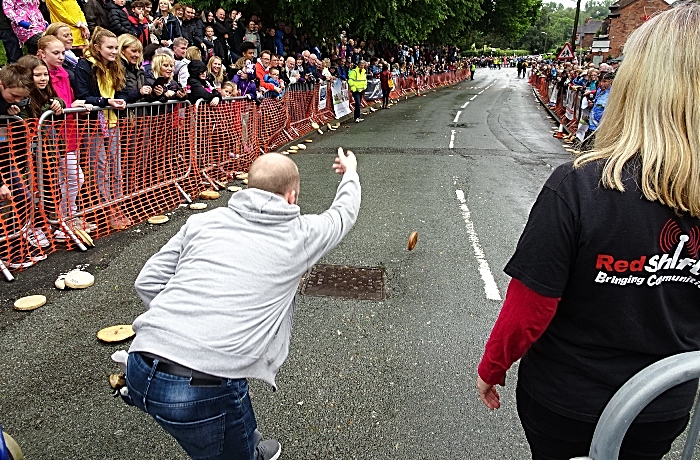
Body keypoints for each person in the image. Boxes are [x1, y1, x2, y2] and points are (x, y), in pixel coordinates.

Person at [476, 5, 700, 459]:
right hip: (662, 400)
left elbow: (530, 308)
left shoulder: (579, 186)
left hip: (568, 400)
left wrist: (493, 366)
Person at [122, 148, 360, 460]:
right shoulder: (300, 235)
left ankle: (235, 442)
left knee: (212, 433)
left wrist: (181, 328)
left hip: (138, 365)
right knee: (221, 439)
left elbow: (148, 281)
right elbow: (344, 213)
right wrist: (351, 172)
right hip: (202, 388)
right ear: (291, 197)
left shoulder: (202, 222)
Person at [36, 35, 95, 239]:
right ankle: (61, 219)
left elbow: (65, 102)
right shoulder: (39, 76)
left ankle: (68, 217)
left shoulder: (65, 73)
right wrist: (71, 107)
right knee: (72, 178)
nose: (61, 56)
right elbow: (49, 105)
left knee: (69, 179)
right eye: (56, 53)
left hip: (69, 133)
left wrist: (74, 107)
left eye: (62, 53)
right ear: (41, 54)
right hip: (51, 137)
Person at [73, 26, 130, 230]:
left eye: (116, 48)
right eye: (110, 48)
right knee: (101, 169)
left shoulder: (116, 65)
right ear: (97, 47)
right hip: (93, 125)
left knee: (116, 168)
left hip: (112, 121)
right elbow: (82, 95)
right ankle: (108, 210)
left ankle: (118, 206)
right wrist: (106, 101)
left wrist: (120, 100)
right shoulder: (83, 66)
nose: (114, 51)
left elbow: (123, 91)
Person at [0, 63, 49, 267]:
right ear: (2, 85)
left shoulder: (11, 101)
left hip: (5, 158)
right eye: (14, 96)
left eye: (22, 98)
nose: (18, 101)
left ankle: (15, 246)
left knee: (23, 197)